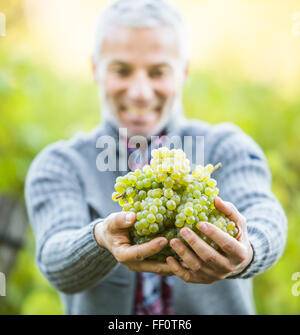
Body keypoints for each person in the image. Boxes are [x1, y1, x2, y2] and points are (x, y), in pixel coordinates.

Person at [25, 0, 287, 315]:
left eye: (158, 72)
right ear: (95, 70)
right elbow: (55, 260)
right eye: (121, 70)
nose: (140, 91)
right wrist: (99, 238)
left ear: (184, 72)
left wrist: (248, 250)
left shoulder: (226, 146)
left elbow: (266, 215)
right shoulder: (60, 164)